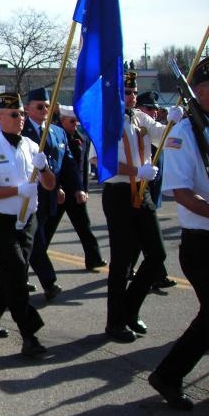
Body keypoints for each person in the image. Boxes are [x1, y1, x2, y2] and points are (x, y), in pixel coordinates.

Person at [97, 70, 183, 343]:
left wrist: (175, 121)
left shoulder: (141, 117)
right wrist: (137, 169)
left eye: (133, 92)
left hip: (142, 193)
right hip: (119, 192)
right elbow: (102, 164)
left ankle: (129, 310)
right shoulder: (106, 121)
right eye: (126, 92)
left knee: (156, 254)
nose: (132, 97)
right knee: (122, 261)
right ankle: (114, 322)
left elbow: (165, 138)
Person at [0, 92, 56, 357]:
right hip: (1, 222)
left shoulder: (32, 146)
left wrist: (43, 169)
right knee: (18, 271)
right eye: (15, 114)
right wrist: (18, 190)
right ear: (0, 117)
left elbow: (50, 185)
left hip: (28, 221)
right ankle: (29, 334)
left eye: (22, 113)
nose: (21, 119)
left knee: (12, 273)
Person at [149, 56, 209, 411]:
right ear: (199, 91)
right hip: (201, 242)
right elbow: (183, 192)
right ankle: (168, 375)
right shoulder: (185, 134)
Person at [20, 87, 80, 300]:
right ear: (28, 108)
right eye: (39, 106)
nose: (44, 109)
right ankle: (49, 282)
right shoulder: (20, 130)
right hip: (27, 196)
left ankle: (20, 276)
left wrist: (75, 188)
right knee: (35, 239)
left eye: (47, 106)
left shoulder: (57, 131)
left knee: (37, 241)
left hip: (50, 195)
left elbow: (67, 163)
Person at [47, 105, 106, 270]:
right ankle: (36, 258)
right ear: (62, 120)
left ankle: (94, 258)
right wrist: (56, 188)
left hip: (76, 191)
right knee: (47, 228)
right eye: (72, 121)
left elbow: (83, 169)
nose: (75, 125)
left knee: (84, 227)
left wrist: (84, 188)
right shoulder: (54, 136)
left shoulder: (82, 138)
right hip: (59, 191)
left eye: (76, 122)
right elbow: (52, 166)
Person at [132, 91, 177, 290]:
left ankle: (137, 271)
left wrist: (176, 124)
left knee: (139, 238)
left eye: (156, 109)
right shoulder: (132, 124)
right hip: (133, 187)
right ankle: (158, 274)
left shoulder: (150, 126)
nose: (154, 112)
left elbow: (171, 143)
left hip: (150, 189)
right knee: (146, 237)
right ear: (140, 108)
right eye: (150, 108)